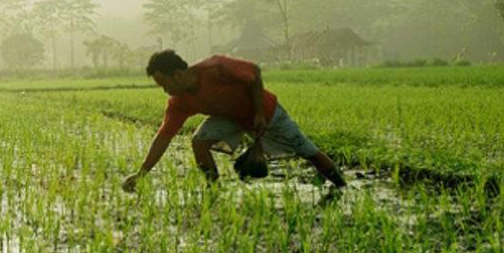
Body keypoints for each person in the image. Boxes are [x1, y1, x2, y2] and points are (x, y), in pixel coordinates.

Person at [122, 50, 346, 192]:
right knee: (199, 141)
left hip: (266, 112)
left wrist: (259, 113)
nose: (165, 90)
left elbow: (254, 73)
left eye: (164, 84)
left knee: (306, 150)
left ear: (178, 75)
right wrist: (141, 174)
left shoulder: (216, 67)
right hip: (231, 118)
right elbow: (163, 137)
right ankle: (214, 189)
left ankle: (341, 185)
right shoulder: (179, 102)